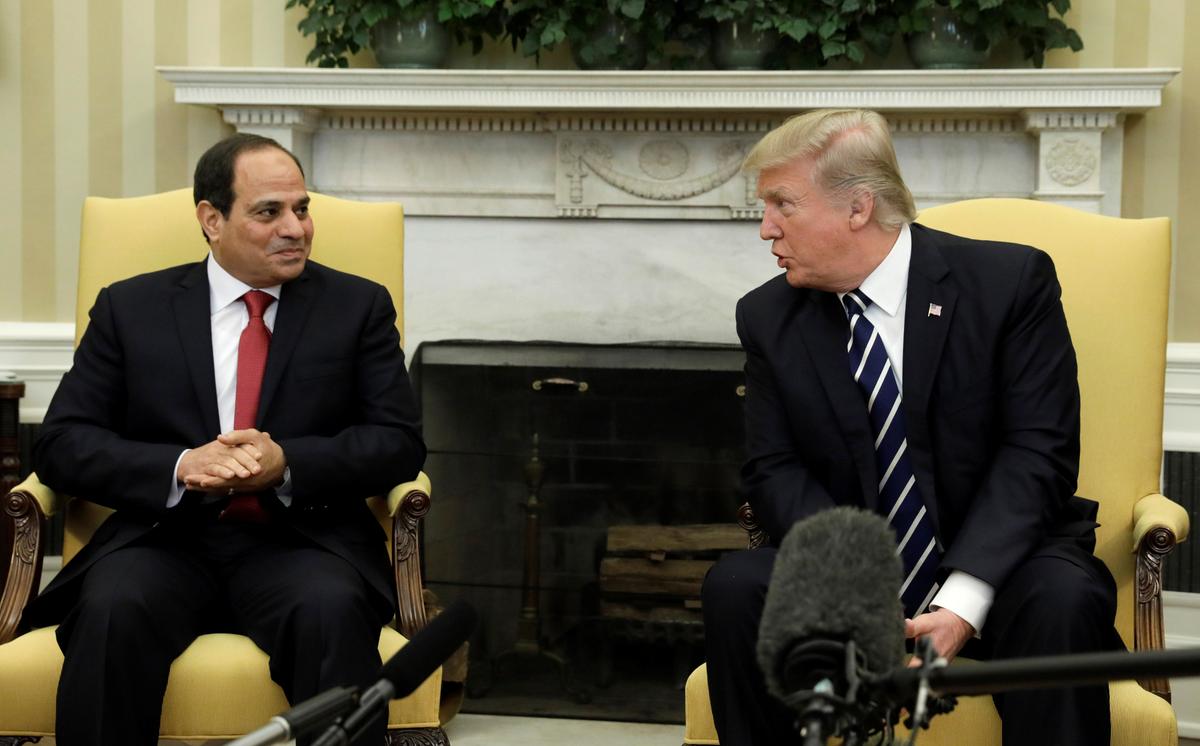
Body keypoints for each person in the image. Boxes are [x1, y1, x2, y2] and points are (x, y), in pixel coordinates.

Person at [701, 109, 1122, 745]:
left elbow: (1039, 452)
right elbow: (772, 467)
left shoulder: (1008, 284)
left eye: (782, 205)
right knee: (737, 587)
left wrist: (961, 603)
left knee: (1061, 599)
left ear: (858, 208)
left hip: (1003, 565)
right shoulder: (769, 316)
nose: (765, 229)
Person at [22, 133, 426, 746]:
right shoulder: (132, 308)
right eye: (269, 212)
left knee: (331, 611)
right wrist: (181, 465)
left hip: (302, 541)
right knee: (112, 611)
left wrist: (288, 462)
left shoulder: (357, 306)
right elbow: (61, 444)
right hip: (162, 539)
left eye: (302, 207)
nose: (296, 228)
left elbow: (398, 443)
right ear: (212, 220)